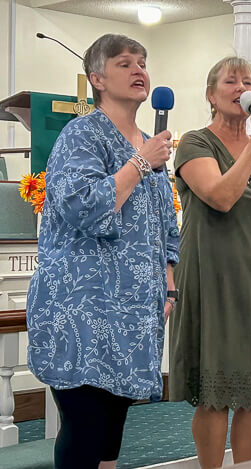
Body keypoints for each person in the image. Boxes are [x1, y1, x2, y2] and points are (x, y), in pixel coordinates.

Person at [26, 34, 179, 469]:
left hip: (131, 311)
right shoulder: (82, 135)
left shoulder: (149, 141)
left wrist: (168, 282)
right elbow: (82, 205)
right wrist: (140, 163)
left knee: (113, 429)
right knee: (85, 426)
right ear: (97, 78)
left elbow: (166, 221)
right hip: (81, 308)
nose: (139, 70)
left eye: (143, 62)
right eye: (125, 63)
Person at [168, 56, 251, 468]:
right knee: (215, 393)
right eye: (231, 81)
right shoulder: (195, 143)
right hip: (209, 278)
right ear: (211, 95)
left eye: (247, 81)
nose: (241, 87)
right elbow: (221, 197)